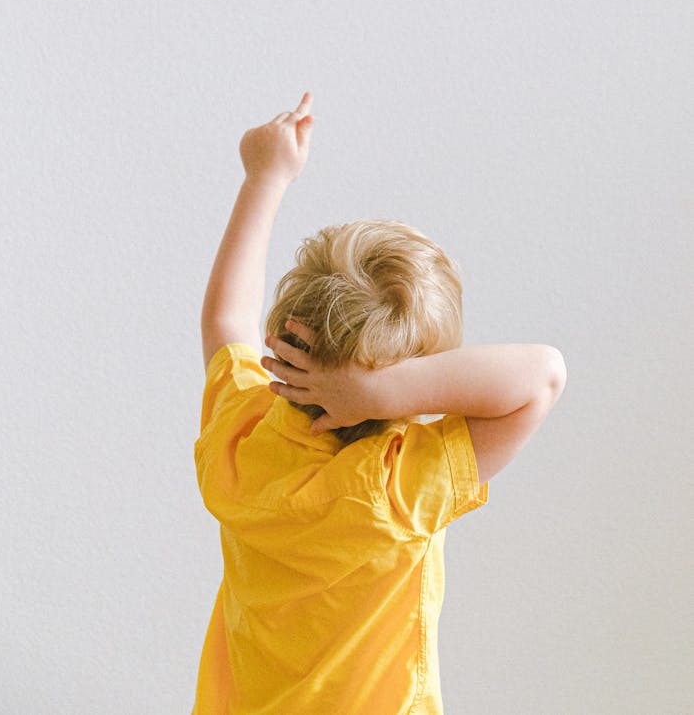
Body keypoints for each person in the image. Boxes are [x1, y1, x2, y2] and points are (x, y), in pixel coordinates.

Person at [193, 91, 567, 715]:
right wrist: (378, 391)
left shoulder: (242, 436)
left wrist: (264, 177)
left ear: (283, 333)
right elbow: (543, 376)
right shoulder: (395, 486)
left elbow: (226, 318)